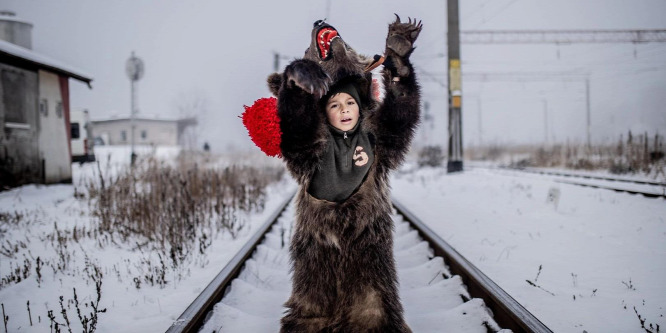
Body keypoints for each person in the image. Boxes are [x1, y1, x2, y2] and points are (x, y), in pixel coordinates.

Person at [277, 16, 422, 333]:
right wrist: (295, 84)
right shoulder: (311, 146)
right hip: (317, 257)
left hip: (370, 255)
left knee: (376, 322)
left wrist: (398, 72)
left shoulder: (376, 138)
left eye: (350, 103)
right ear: (322, 110)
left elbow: (400, 118)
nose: (343, 109)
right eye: (334, 104)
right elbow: (295, 127)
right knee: (311, 321)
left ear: (361, 106)